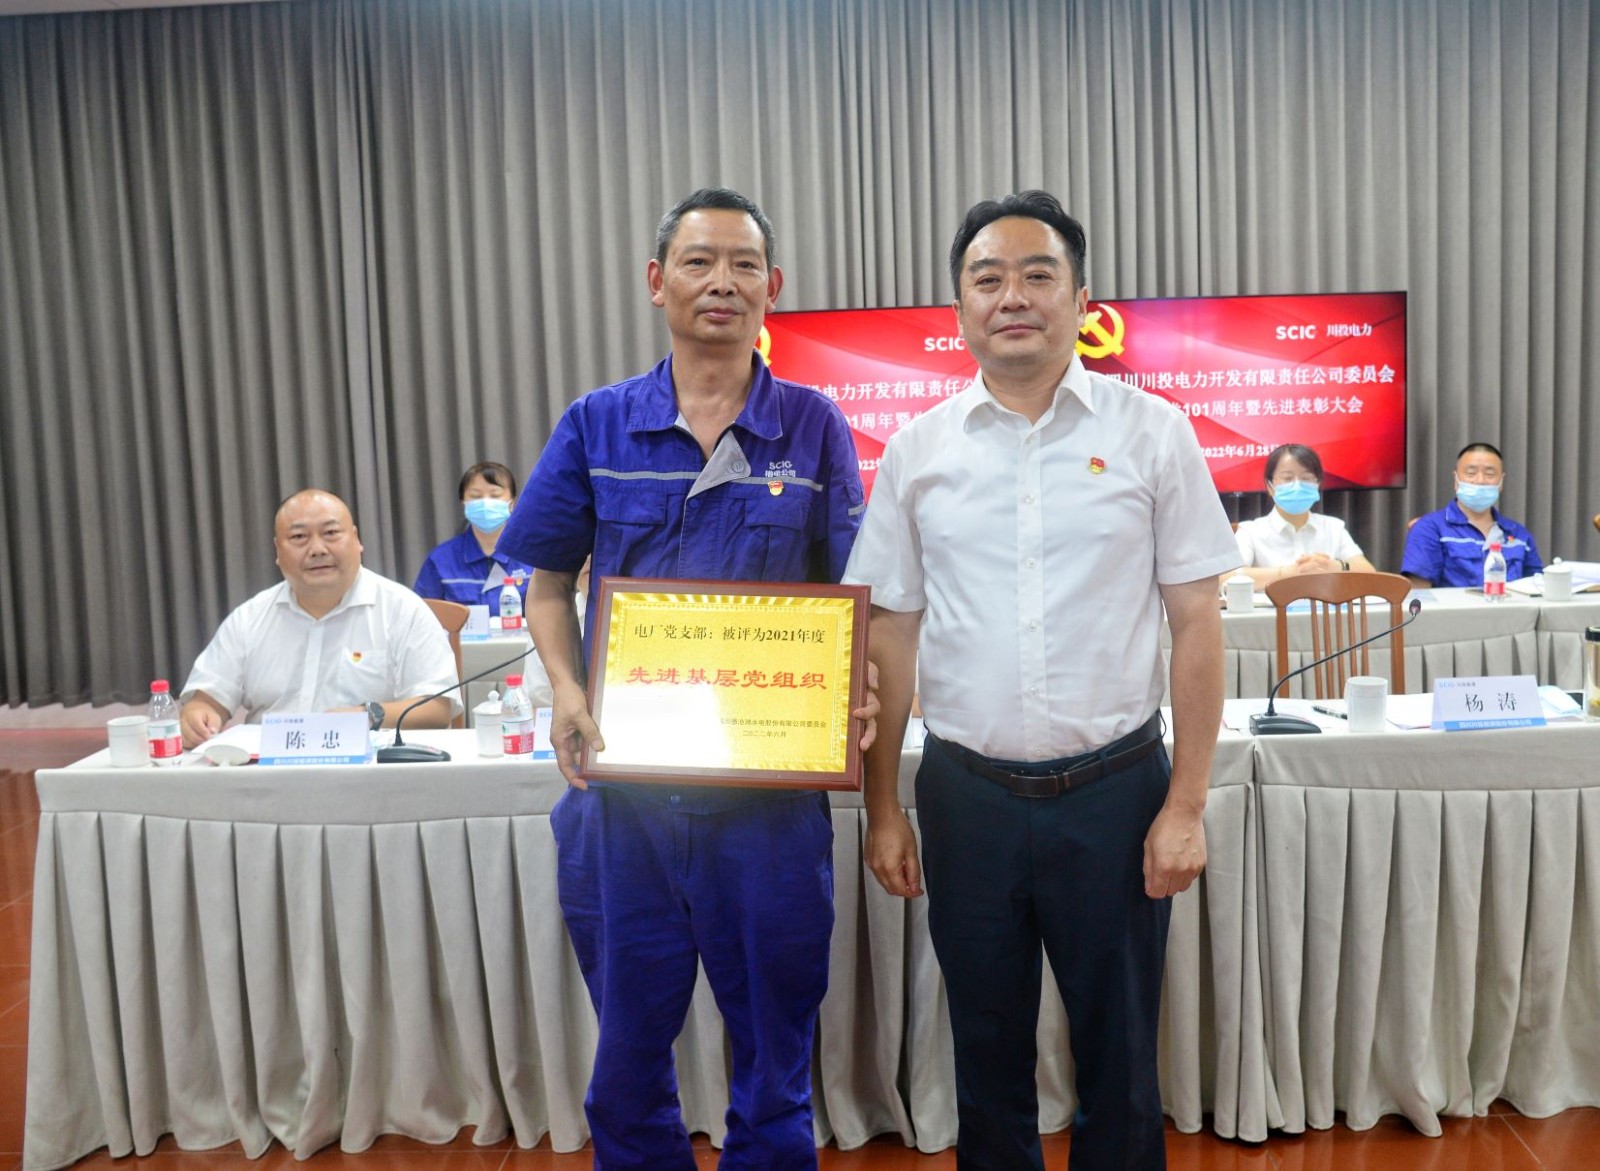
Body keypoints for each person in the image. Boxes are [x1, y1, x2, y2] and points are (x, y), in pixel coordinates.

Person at [844, 192, 1238, 1170]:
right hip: (966, 796)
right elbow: (889, 632)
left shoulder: (1154, 433)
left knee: (1121, 1057)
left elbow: (1197, 623)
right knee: (983, 1055)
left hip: (1116, 792)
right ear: (959, 308)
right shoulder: (917, 451)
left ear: (1081, 299)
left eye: (1036, 275)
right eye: (987, 279)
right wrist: (883, 807)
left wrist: (1186, 804)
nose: (1011, 296)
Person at [496, 188, 877, 1171]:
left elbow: (850, 593)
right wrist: (568, 691)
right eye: (699, 261)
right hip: (624, 802)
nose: (722, 282)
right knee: (625, 1065)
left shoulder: (813, 426)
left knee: (775, 1063)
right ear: (657, 280)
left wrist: (857, 687)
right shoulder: (596, 424)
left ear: (772, 287)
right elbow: (548, 582)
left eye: (743, 265)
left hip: (769, 806)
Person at [179, 489, 460, 747]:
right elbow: (207, 699)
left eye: (331, 533)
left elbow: (437, 708)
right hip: (268, 774)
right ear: (278, 551)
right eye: (299, 537)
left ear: (357, 540)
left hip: (371, 771)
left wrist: (366, 715)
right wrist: (198, 716)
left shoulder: (403, 610)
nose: (317, 549)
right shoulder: (249, 618)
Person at [1227, 443, 1376, 589]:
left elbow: (1371, 575)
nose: (1297, 485)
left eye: (1306, 478)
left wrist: (1335, 567)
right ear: (1269, 486)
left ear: (1317, 484)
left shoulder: (1333, 527)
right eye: (1287, 478)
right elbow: (1226, 578)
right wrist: (1287, 573)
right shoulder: (1250, 531)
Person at [1401, 441, 1543, 588]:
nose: (1480, 481)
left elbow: (1536, 588)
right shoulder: (1429, 528)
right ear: (1456, 479)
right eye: (1471, 473)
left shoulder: (1519, 535)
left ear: (1501, 481)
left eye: (1489, 474)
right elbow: (1418, 594)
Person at [412, 460, 536, 614]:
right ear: (464, 502)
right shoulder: (440, 560)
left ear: (512, 503)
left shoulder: (532, 557)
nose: (485, 503)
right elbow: (421, 615)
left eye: (495, 495)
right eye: (476, 496)